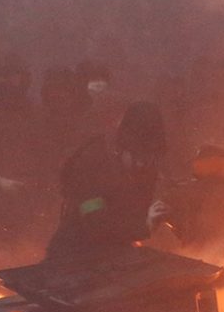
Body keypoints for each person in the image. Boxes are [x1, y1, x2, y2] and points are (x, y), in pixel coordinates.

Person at [46, 101, 170, 259]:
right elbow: (95, 224)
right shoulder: (90, 165)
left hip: (118, 254)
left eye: (151, 158)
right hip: (74, 255)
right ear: (123, 148)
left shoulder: (143, 167)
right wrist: (144, 225)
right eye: (140, 157)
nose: (144, 164)